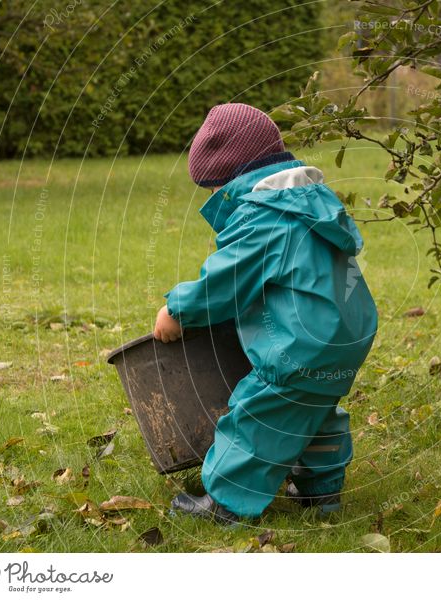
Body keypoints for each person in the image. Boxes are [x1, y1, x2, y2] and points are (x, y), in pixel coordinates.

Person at [153, 103, 378, 525]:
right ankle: (321, 492)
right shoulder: (310, 202)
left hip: (302, 343)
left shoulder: (262, 216)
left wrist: (177, 309)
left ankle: (227, 504)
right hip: (347, 335)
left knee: (259, 411)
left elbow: (227, 278)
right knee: (315, 407)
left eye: (215, 190)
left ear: (235, 179)